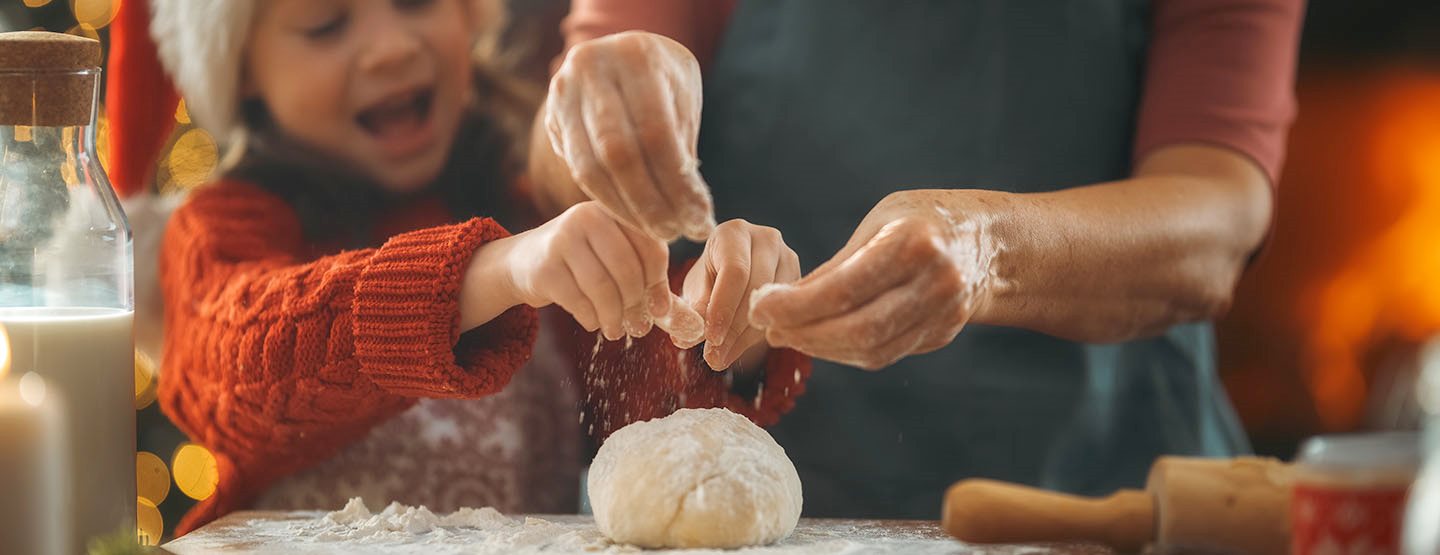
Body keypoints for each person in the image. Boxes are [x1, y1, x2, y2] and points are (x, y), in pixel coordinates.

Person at [528, 0, 1305, 518]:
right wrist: (604, 98)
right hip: (792, 501)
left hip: (1119, 493)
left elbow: (1218, 214)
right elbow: (559, 153)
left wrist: (987, 248)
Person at [106, 0, 811, 534]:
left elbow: (631, 396)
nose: (388, 48)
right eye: (325, 24)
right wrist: (490, 273)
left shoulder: (529, 207)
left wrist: (727, 324)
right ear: (244, 71)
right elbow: (242, 363)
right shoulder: (223, 226)